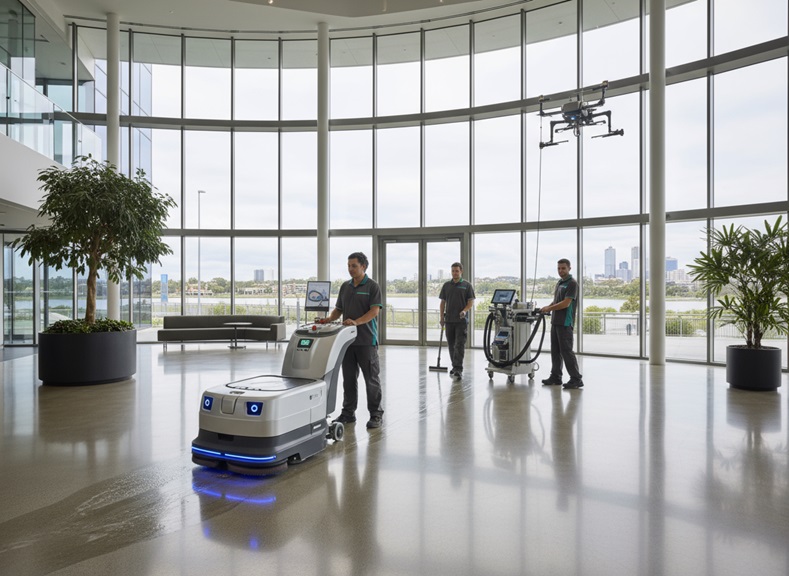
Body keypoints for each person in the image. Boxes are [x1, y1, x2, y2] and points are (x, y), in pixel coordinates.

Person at [317, 252, 384, 428]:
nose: (350, 269)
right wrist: (328, 319)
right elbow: (338, 309)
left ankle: (376, 414)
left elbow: (374, 311)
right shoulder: (345, 286)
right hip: (346, 342)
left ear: (363, 266)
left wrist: (356, 322)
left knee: (371, 379)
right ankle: (348, 413)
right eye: (348, 265)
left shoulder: (372, 286)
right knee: (348, 379)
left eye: (354, 265)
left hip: (366, 341)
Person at [539, 258, 583, 389]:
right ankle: (556, 377)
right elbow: (556, 301)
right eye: (558, 268)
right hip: (556, 321)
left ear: (569, 268)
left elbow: (566, 303)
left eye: (563, 268)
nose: (560, 270)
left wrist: (550, 308)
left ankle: (576, 379)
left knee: (566, 351)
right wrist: (547, 307)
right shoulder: (559, 283)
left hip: (565, 322)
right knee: (555, 351)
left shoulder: (572, 284)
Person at [439, 262, 475, 380]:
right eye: (453, 271)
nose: (455, 273)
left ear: (461, 271)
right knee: (451, 345)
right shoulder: (446, 285)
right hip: (449, 320)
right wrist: (441, 318)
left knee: (459, 345)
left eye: (457, 271)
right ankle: (454, 366)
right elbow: (443, 302)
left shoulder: (467, 285)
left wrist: (464, 311)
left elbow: (470, 303)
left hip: (461, 321)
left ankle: (458, 369)